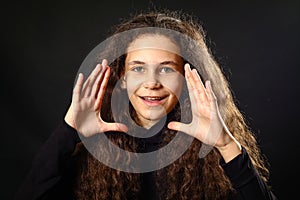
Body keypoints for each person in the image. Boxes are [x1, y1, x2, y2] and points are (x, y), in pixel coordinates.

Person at [15, 10, 278, 200]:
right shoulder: (93, 146)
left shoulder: (209, 151)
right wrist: (68, 131)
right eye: (138, 68)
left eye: (166, 69)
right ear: (123, 77)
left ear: (187, 77)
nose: (151, 82)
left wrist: (226, 145)